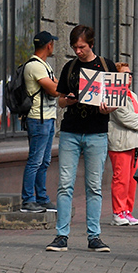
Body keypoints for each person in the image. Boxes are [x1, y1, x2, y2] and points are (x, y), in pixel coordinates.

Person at [46, 25, 117, 253]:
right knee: (65, 184)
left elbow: (116, 100)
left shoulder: (106, 66)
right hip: (71, 132)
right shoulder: (70, 67)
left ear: (92, 44)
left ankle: (94, 236)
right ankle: (61, 235)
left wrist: (108, 109)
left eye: (82, 47)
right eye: (75, 47)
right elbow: (60, 100)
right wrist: (68, 100)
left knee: (94, 186)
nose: (78, 51)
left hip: (97, 131)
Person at [20, 31, 60, 214]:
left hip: (48, 118)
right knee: (35, 161)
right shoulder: (34, 66)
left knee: (43, 161)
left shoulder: (44, 65)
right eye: (53, 43)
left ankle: (41, 198)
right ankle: (28, 200)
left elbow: (58, 86)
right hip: (38, 119)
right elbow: (54, 89)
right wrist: (59, 87)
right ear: (49, 45)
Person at [108, 62, 138, 227]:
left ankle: (128, 210)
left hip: (134, 141)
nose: (128, 77)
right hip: (120, 142)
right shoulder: (114, 94)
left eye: (129, 74)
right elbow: (125, 117)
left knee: (131, 179)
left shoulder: (132, 95)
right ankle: (118, 212)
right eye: (124, 74)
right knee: (120, 178)